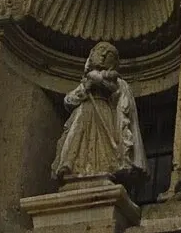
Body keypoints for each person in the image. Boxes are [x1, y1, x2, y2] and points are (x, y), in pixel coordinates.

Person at [51, 41, 146, 185]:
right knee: (78, 138)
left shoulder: (116, 81)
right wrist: (85, 88)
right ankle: (76, 169)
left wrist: (101, 81)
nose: (102, 55)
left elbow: (120, 98)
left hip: (104, 111)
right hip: (84, 112)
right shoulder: (86, 80)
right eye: (100, 51)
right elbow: (69, 100)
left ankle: (103, 168)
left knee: (103, 141)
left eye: (108, 54)